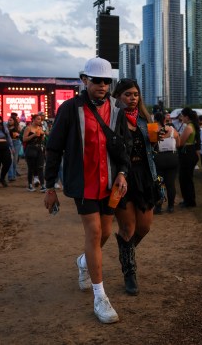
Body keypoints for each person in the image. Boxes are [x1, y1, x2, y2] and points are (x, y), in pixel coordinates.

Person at [44, 57, 130, 324]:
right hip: (83, 183)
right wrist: (49, 186)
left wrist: (123, 172)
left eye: (107, 81)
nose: (103, 86)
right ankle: (100, 297)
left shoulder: (117, 108)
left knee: (104, 233)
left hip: (109, 184)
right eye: (97, 80)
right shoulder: (70, 108)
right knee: (94, 233)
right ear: (84, 80)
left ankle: (83, 262)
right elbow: (54, 147)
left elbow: (124, 145)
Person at [111, 78, 159, 295]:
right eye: (127, 94)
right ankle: (129, 272)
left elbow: (150, 149)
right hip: (123, 177)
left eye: (135, 95)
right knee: (128, 228)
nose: (132, 98)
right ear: (118, 97)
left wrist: (158, 139)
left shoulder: (143, 119)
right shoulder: (112, 119)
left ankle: (125, 251)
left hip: (145, 176)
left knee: (145, 227)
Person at [153, 111, 179, 213]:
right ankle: (171, 206)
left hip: (159, 157)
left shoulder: (153, 129)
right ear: (164, 119)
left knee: (159, 183)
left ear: (155, 119)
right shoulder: (172, 129)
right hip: (172, 157)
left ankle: (158, 207)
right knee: (171, 184)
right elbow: (179, 143)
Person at [176, 108, 201, 208]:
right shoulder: (193, 126)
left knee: (184, 178)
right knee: (188, 177)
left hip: (187, 153)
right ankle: (189, 199)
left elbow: (180, 143)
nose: (181, 118)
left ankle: (189, 201)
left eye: (182, 116)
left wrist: (176, 136)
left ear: (186, 116)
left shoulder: (188, 127)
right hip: (191, 152)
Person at [23, 114, 46, 192]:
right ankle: (30, 185)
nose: (40, 121)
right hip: (30, 149)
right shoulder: (28, 128)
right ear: (33, 120)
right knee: (31, 168)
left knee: (40, 167)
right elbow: (24, 139)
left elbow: (42, 140)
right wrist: (34, 135)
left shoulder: (40, 128)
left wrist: (43, 136)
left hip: (39, 149)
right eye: (38, 119)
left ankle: (43, 185)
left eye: (40, 119)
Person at [7, 115, 22, 182]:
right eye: (9, 120)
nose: (9, 121)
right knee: (10, 159)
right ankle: (10, 176)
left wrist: (18, 135)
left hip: (16, 143)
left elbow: (22, 135)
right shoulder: (6, 127)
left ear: (14, 121)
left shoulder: (17, 127)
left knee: (15, 160)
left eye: (11, 120)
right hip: (9, 143)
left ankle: (13, 175)